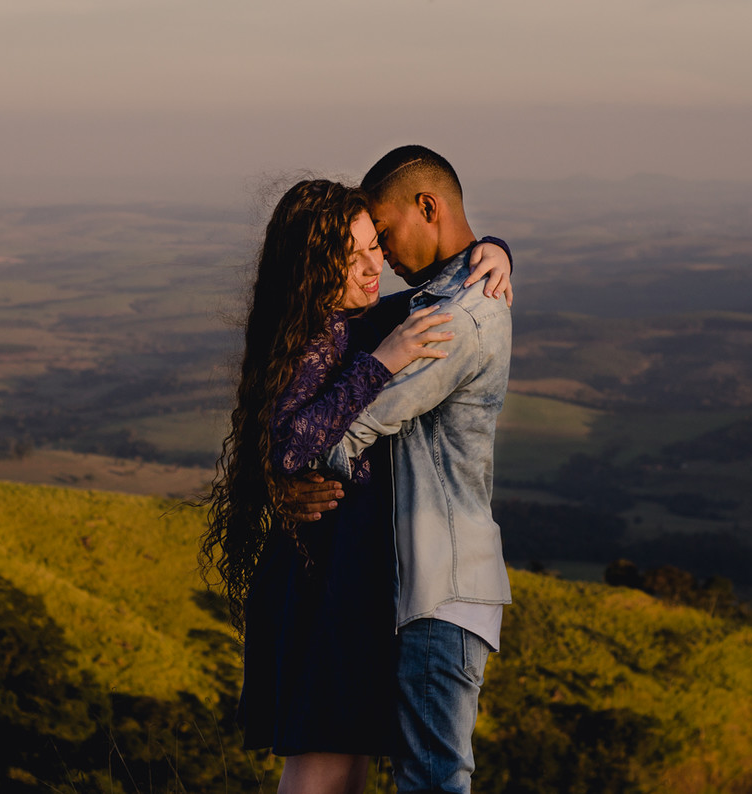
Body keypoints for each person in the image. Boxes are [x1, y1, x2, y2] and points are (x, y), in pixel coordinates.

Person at [199, 178, 512, 794]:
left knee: (351, 763)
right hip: (322, 575)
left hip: (357, 575)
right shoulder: (315, 335)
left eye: (376, 246)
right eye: (353, 256)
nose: (375, 268)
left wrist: (496, 249)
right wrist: (381, 364)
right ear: (314, 268)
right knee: (323, 762)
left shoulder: (364, 318)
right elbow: (289, 445)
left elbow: (454, 291)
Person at [300, 145, 513, 793]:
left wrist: (292, 469)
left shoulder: (453, 317)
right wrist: (500, 245)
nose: (382, 257)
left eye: (384, 235)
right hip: (423, 583)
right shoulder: (447, 295)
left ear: (428, 207)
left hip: (439, 587)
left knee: (432, 780)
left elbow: (352, 429)